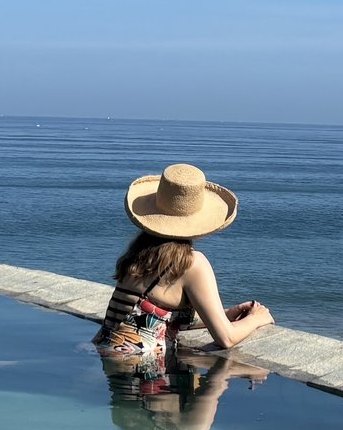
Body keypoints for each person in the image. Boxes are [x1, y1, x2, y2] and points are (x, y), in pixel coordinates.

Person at [94, 162, 273, 383]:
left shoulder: (138, 256)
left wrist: (227, 313)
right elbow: (226, 338)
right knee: (202, 416)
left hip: (110, 362)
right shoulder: (192, 263)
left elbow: (152, 317)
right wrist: (257, 318)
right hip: (143, 373)